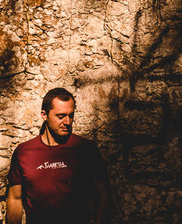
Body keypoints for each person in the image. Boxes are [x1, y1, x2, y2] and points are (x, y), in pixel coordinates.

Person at [7, 87, 113, 224]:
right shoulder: (24, 152)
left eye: (71, 115)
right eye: (61, 116)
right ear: (44, 115)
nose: (68, 122)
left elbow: (104, 194)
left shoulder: (85, 149)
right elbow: (15, 199)